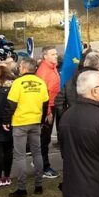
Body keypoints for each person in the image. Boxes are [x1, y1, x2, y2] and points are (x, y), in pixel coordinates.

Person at [7, 58, 49, 197]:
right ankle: (38, 185)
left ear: (24, 68)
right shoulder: (41, 82)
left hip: (20, 122)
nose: (19, 68)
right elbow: (45, 104)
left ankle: (22, 188)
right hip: (35, 121)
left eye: (20, 66)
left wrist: (6, 120)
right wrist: (41, 120)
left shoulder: (17, 83)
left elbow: (11, 104)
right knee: (37, 153)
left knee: (20, 156)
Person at [36, 46, 61, 179]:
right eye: (52, 54)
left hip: (53, 105)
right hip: (47, 108)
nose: (55, 56)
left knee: (45, 138)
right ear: (45, 56)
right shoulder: (43, 71)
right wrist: (47, 113)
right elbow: (42, 94)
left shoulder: (53, 67)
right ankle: (44, 166)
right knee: (44, 138)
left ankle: (40, 162)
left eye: (56, 54)